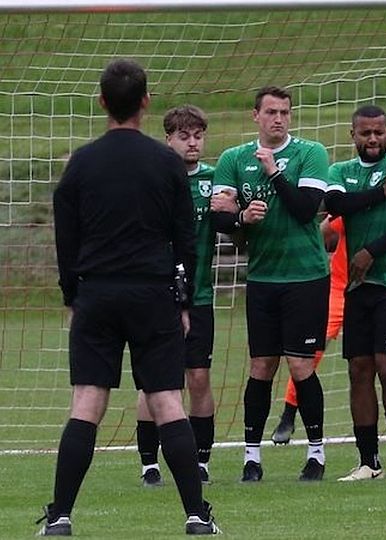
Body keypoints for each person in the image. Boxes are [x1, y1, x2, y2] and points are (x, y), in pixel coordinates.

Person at [44, 58, 219, 535]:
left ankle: (60, 516)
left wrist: (72, 294)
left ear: (102, 102)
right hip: (152, 294)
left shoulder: (82, 162)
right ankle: (196, 516)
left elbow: (67, 235)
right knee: (166, 400)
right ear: (145, 101)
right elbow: (185, 239)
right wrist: (182, 299)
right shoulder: (166, 163)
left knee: (87, 401)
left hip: (97, 293)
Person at [269, 157, 386, 447]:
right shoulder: (359, 207)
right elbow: (323, 230)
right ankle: (288, 414)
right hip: (343, 286)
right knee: (313, 348)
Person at [210, 86, 331, 482]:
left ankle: (316, 454)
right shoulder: (233, 159)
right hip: (262, 279)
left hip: (306, 276)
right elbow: (219, 217)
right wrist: (243, 218)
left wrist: (275, 173)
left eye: (285, 112)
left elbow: (305, 210)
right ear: (255, 116)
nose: (278, 119)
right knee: (261, 366)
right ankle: (251, 457)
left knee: (300, 365)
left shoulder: (310, 153)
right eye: (271, 112)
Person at [316, 104, 386, 481]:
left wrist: (369, 251)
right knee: (358, 370)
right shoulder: (340, 172)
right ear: (353, 135)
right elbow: (335, 205)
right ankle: (368, 462)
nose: (373, 139)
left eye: (379, 132)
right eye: (366, 133)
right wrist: (381, 192)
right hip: (359, 286)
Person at [136, 105, 219, 488]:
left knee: (198, 377)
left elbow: (233, 227)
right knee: (153, 382)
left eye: (198, 136)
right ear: (168, 138)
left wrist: (238, 216)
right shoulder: (151, 178)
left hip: (199, 295)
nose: (192, 143)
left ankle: (201, 460)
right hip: (155, 296)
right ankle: (149, 463)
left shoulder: (215, 182)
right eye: (184, 136)